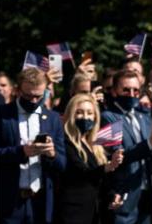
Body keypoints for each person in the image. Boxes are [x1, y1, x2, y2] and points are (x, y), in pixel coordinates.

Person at [0, 68, 66, 223]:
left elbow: (62, 164)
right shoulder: (0, 115)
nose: (34, 101)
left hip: (40, 202)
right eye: (28, 96)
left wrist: (52, 154)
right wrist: (21, 151)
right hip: (9, 201)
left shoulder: (53, 119)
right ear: (17, 90)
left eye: (38, 96)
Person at [102, 70, 152, 224]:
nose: (131, 94)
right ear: (115, 91)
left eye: (135, 90)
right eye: (126, 89)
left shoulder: (143, 117)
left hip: (146, 193)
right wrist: (149, 143)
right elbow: (118, 156)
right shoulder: (108, 117)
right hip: (123, 194)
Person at [57, 94, 124, 224]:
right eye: (79, 113)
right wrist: (107, 166)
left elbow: (100, 180)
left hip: (95, 213)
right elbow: (81, 172)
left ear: (95, 116)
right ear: (71, 115)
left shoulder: (95, 144)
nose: (85, 117)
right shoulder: (65, 141)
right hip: (73, 214)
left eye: (89, 113)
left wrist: (112, 196)